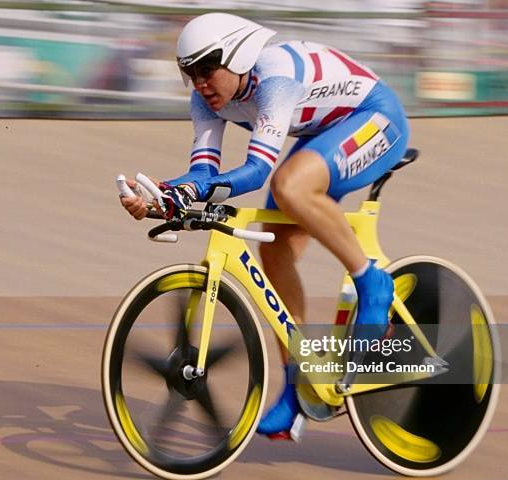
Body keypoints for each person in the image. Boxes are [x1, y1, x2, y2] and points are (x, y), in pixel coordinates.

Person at [121, 13, 409, 440]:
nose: (200, 82)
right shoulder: (206, 100)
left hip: (376, 119)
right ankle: (300, 389)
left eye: (208, 68)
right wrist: (160, 196)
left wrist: (186, 192)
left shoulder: (276, 78)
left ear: (237, 56)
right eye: (190, 72)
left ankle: (373, 283)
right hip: (325, 133)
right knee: (273, 251)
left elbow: (257, 170)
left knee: (289, 185)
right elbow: (203, 172)